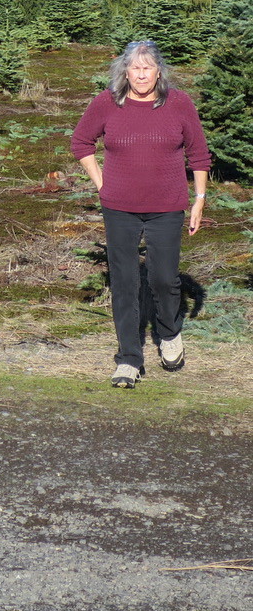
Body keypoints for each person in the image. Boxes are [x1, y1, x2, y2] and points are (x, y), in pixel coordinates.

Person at [71, 40, 211, 388]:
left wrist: (199, 199)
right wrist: (102, 183)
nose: (142, 74)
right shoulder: (108, 102)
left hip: (167, 207)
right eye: (135, 68)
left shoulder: (179, 103)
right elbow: (81, 142)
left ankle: (168, 333)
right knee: (124, 282)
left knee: (164, 279)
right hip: (119, 208)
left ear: (158, 71)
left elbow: (199, 154)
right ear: (125, 71)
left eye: (148, 67)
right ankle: (129, 359)